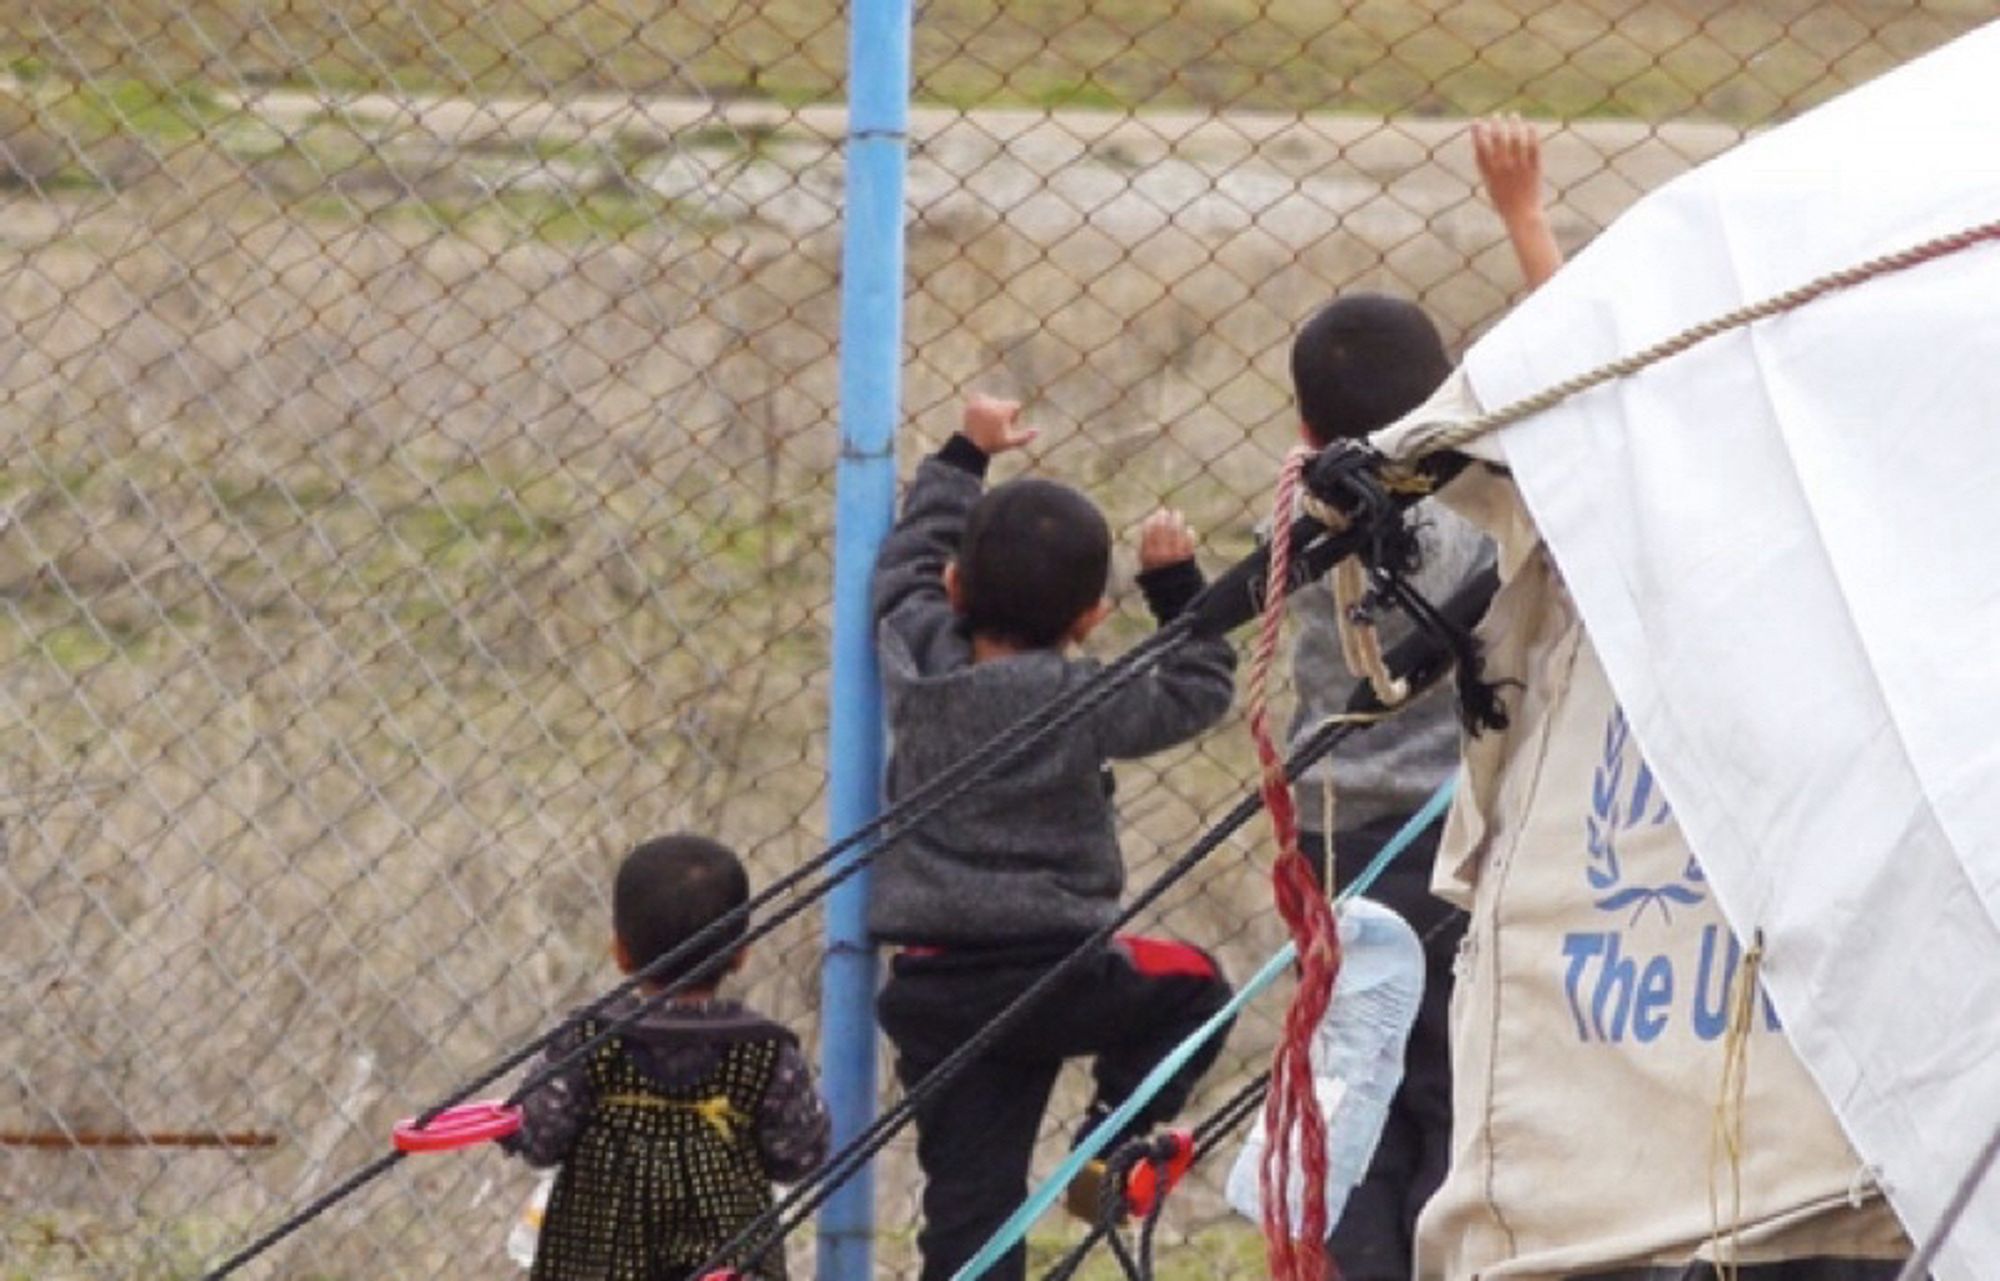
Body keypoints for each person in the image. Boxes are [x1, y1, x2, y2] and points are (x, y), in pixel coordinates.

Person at [870, 393, 1239, 1281]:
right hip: (1056, 975)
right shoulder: (1079, 700)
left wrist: (963, 455)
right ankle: (1108, 1143)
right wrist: (1177, 586)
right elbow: (1198, 686)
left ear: (956, 590)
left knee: (970, 1210)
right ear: (1088, 622)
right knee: (1199, 992)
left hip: (935, 989)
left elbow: (905, 565)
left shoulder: (914, 658)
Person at [1285, 114, 1563, 1281]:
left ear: (1303, 431)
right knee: (1459, 1091)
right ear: (1452, 395)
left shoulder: (1297, 530)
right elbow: (1577, 394)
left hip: (1333, 848)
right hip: (1465, 847)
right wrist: (1522, 217)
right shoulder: (1490, 517)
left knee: (1350, 1095)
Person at [504, 834, 830, 1281]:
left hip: (593, 1264)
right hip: (730, 1265)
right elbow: (801, 1154)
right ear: (740, 953)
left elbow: (540, 1140)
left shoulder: (587, 1042)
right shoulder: (766, 1051)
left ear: (620, 951)